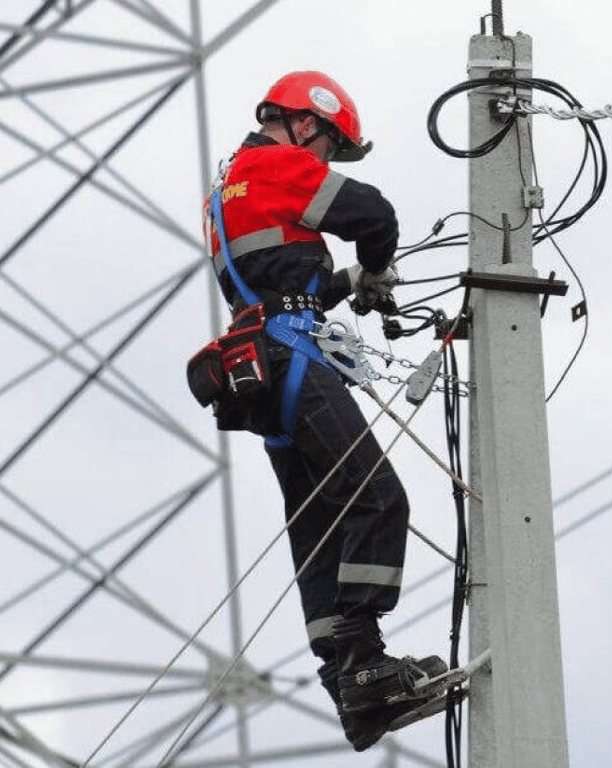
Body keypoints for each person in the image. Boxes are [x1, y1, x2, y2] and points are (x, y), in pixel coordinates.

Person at [201, 70, 445, 751]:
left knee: (319, 523)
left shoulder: (227, 189)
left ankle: (347, 687)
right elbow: (374, 215)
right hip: (291, 357)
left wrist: (349, 282)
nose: (326, 164)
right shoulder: (280, 161)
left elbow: (279, 282)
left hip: (257, 368)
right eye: (329, 148)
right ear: (305, 124)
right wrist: (378, 268)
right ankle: (365, 663)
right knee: (376, 499)